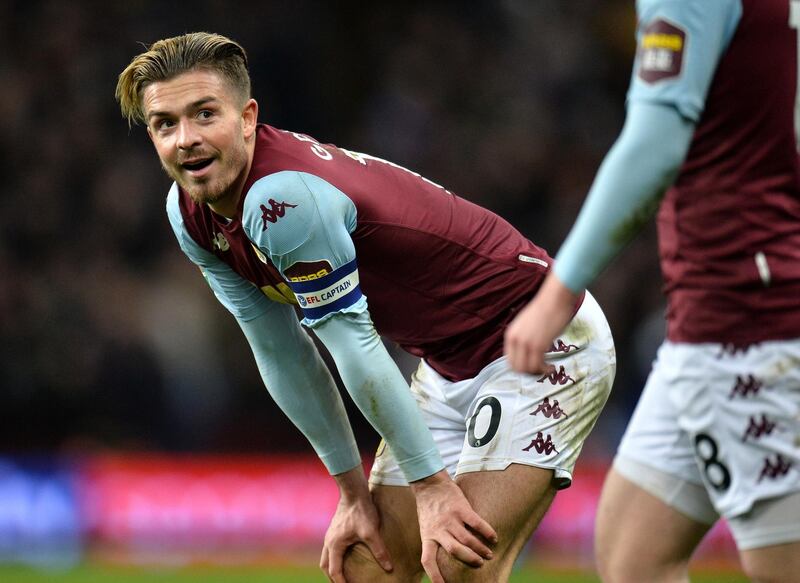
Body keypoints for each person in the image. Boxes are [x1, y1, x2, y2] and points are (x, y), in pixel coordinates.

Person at [116, 32, 616, 583]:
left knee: (460, 562)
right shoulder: (191, 214)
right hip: (448, 362)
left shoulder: (282, 201)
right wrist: (351, 491)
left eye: (204, 114)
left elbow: (354, 344)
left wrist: (431, 488)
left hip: (541, 338)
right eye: (166, 124)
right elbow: (282, 352)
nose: (186, 139)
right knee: (366, 567)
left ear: (247, 117)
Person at [505, 1, 800, 581]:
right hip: (723, 318)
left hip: (746, 323)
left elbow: (654, 145)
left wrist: (556, 293)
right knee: (633, 554)